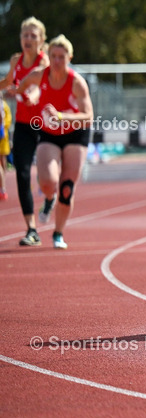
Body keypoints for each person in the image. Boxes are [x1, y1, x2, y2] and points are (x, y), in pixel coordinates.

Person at [15, 35, 93, 250]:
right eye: (54, 56)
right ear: (48, 56)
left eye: (61, 57)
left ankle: (58, 232)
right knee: (48, 182)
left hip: (75, 133)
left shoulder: (76, 83)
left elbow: (88, 117)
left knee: (66, 188)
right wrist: (23, 95)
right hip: (49, 133)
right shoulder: (40, 75)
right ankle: (49, 198)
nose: (57, 61)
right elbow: (21, 86)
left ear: (70, 58)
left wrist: (62, 116)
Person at [0, 17, 50, 246]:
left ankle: (50, 197)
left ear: (41, 39)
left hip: (43, 123)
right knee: (22, 174)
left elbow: (38, 87)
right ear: (20, 38)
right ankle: (31, 229)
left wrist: (31, 96)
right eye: (25, 35)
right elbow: (9, 81)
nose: (28, 39)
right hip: (22, 124)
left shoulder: (44, 61)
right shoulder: (16, 60)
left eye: (33, 36)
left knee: (46, 176)